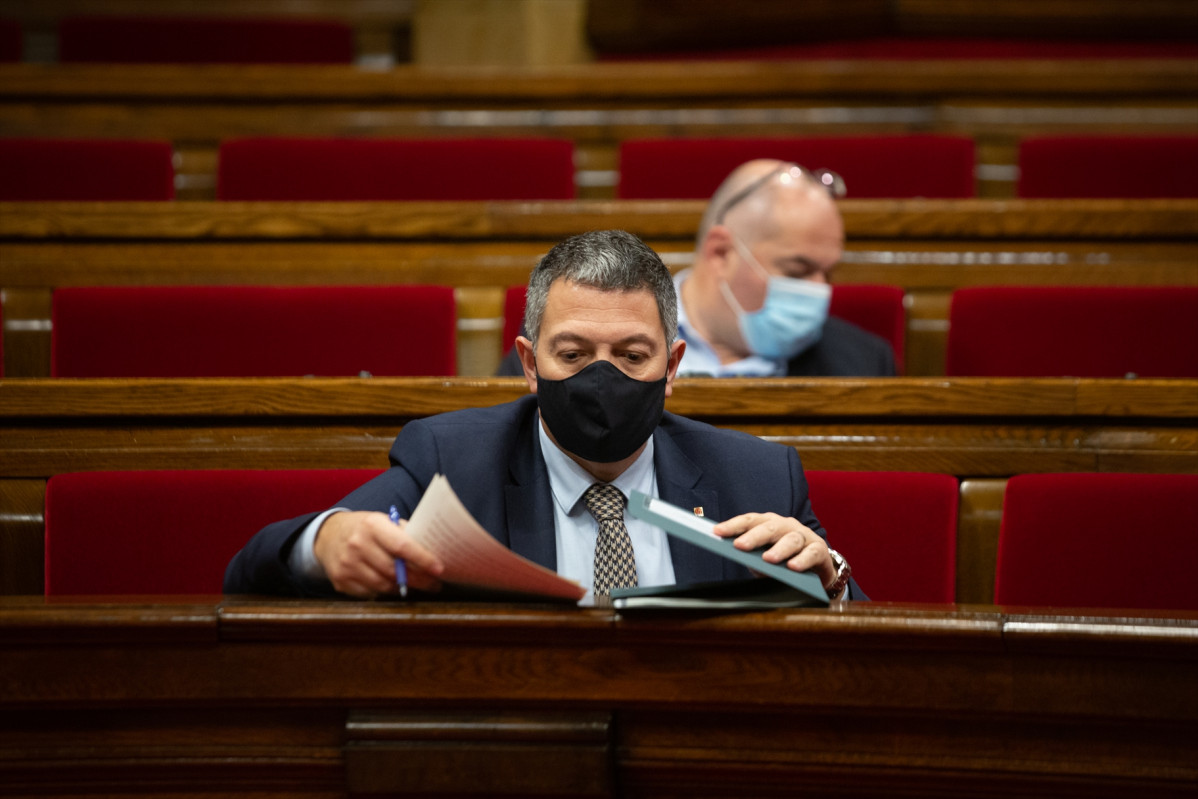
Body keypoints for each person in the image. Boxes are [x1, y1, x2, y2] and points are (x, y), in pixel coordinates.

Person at [225, 230, 860, 602]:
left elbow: (859, 638)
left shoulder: (757, 476)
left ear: (671, 369)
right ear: (529, 364)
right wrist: (330, 539)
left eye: (632, 356)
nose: (601, 377)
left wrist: (829, 580)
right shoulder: (452, 462)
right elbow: (253, 567)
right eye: (574, 354)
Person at [497, 159, 895, 378]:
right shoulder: (568, 335)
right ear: (721, 252)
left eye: (828, 273)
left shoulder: (863, 363)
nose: (819, 292)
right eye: (797, 270)